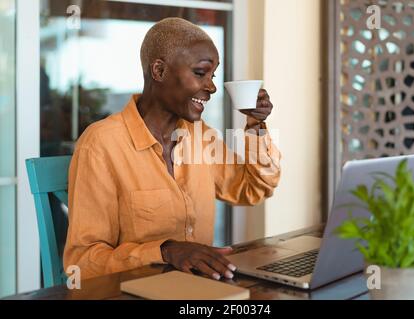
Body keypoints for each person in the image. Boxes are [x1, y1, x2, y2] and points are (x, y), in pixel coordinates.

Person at [63, 17, 281, 281]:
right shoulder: (101, 145)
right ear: (159, 71)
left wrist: (256, 124)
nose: (211, 86)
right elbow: (82, 264)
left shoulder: (201, 137)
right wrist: (165, 251)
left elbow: (254, 188)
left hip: (197, 290)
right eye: (200, 73)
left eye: (213, 75)